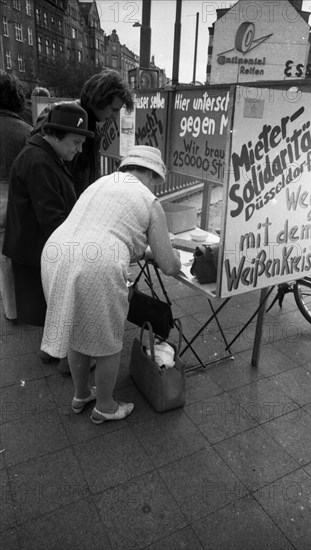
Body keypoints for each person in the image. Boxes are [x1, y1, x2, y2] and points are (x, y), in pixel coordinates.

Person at [40, 145, 181, 424]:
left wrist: (146, 249)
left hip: (56, 253)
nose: (157, 186)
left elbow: (110, 228)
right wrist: (173, 254)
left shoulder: (101, 183)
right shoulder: (149, 200)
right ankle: (105, 406)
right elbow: (169, 265)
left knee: (76, 331)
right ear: (152, 174)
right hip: (97, 263)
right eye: (157, 180)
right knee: (108, 341)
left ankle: (82, 394)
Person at [2, 102, 94, 328]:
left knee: (49, 315)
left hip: (37, 248)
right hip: (37, 251)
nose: (79, 150)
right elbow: (52, 218)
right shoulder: (39, 161)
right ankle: (58, 354)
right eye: (76, 142)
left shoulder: (44, 154)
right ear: (55, 135)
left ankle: (53, 350)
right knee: (50, 314)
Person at [33, 69, 134, 197]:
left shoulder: (93, 125)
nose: (115, 115)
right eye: (114, 109)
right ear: (100, 99)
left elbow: (89, 174)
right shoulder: (58, 114)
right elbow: (36, 166)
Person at [0, 71, 32, 323]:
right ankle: (17, 310)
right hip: (13, 202)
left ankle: (10, 311)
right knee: (11, 260)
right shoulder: (26, 132)